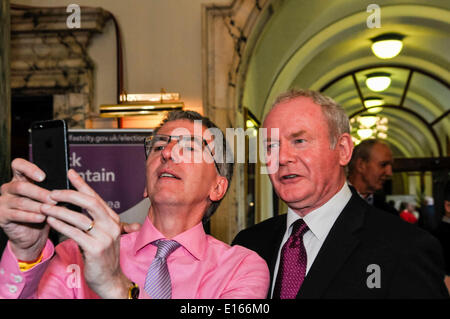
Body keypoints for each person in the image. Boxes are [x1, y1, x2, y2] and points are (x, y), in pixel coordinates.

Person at [0, 110, 269, 299]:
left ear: (217, 187)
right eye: (158, 146)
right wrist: (26, 252)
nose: (166, 153)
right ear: (145, 185)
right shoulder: (75, 255)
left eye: (188, 147)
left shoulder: (241, 269)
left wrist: (116, 287)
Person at [232, 89, 449, 299]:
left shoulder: (405, 248)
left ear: (343, 149)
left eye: (299, 141)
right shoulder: (248, 246)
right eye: (271, 146)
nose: (282, 158)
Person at [347, 139, 398, 216]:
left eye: (390, 166)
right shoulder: (329, 203)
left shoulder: (389, 213)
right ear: (361, 165)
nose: (389, 173)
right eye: (383, 165)